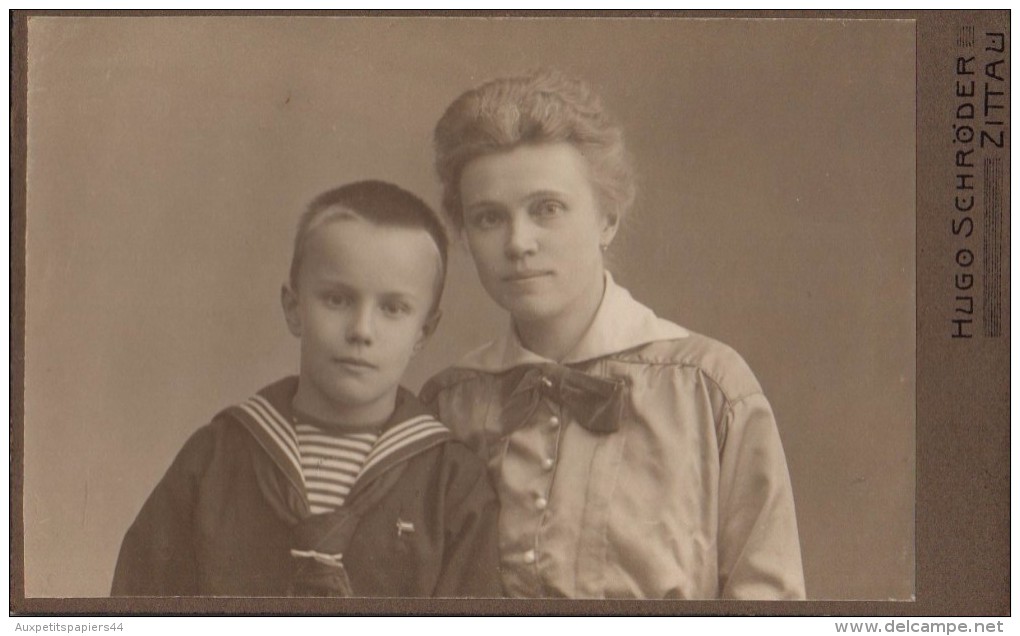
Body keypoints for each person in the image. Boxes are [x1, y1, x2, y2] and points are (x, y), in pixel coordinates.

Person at [421, 71, 806, 600]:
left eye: (546, 209)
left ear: (608, 220)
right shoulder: (451, 403)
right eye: (488, 218)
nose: (519, 243)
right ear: (463, 233)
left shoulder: (707, 388)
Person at [112, 180, 501, 597]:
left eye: (392, 309)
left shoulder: (453, 484)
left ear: (424, 332)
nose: (361, 330)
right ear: (294, 307)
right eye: (336, 299)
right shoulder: (215, 458)